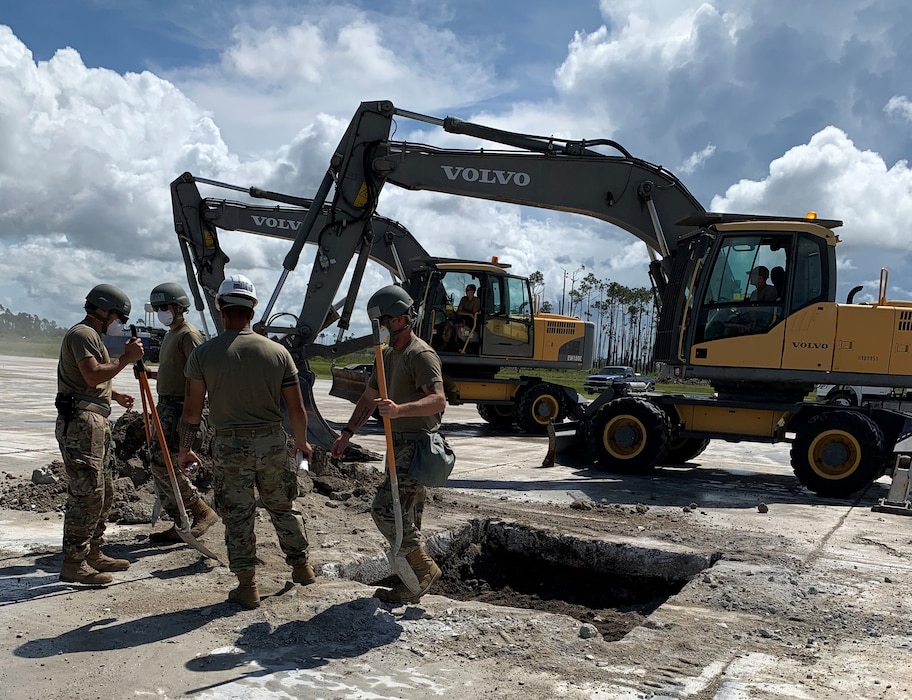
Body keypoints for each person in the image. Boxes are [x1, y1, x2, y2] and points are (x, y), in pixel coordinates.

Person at [177, 274, 314, 610]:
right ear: (252, 311)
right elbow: (296, 407)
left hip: (230, 446)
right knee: (282, 506)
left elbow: (192, 410)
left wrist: (185, 447)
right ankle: (301, 567)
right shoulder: (278, 353)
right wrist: (301, 442)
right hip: (271, 443)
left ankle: (247, 586)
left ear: (220, 309)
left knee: (238, 515)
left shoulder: (204, 354)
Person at [330, 284, 447, 605]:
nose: (382, 328)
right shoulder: (387, 356)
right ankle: (411, 584)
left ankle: (422, 570)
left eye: (384, 322)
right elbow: (368, 399)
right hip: (399, 445)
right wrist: (346, 433)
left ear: (399, 318)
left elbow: (438, 401)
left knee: (386, 511)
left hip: (418, 446)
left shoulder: (419, 355)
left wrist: (399, 410)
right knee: (406, 518)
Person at [55, 284, 144, 585]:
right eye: (118, 316)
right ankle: (73, 563)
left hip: (94, 420)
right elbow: (92, 373)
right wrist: (126, 359)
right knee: (87, 494)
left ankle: (93, 551)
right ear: (103, 310)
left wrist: (113, 394)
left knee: (103, 493)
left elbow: (87, 380)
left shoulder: (93, 336)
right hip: (81, 425)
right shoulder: (83, 334)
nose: (119, 322)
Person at [144, 282, 218, 545]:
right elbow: (176, 371)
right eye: (157, 308)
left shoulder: (188, 334)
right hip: (166, 405)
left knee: (166, 464)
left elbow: (199, 375)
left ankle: (200, 511)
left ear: (178, 307)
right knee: (157, 462)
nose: (161, 312)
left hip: (178, 408)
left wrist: (190, 417)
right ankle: (180, 521)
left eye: (164, 307)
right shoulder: (171, 334)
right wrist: (151, 374)